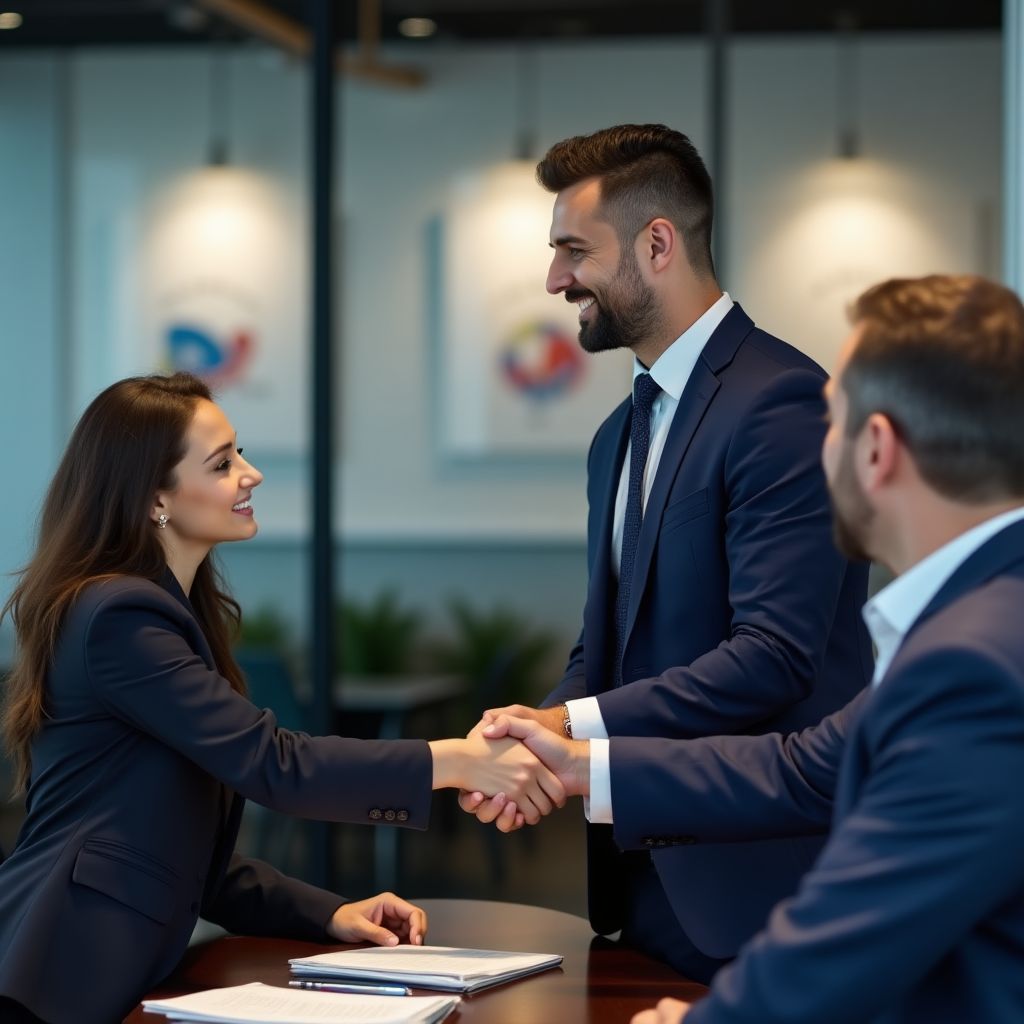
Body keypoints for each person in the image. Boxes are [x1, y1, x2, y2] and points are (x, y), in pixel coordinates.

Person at [486, 274, 1024, 1023]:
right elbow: (802, 767)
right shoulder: (979, 620)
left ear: (876, 449)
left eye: (831, 421)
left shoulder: (975, 663)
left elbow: (862, 922)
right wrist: (582, 766)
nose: (817, 447)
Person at [0, 373, 564, 1024]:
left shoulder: (163, 610)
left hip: (106, 969)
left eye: (239, 453)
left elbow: (182, 854)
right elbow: (273, 763)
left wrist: (329, 912)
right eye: (222, 463)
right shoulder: (118, 618)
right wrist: (458, 762)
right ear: (154, 497)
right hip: (57, 977)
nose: (252, 474)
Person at [461, 123, 872, 981]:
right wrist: (531, 735)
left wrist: (565, 731)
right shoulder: (617, 433)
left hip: (756, 889)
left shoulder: (783, 404)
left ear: (657, 244)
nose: (553, 279)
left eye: (574, 249)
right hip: (631, 881)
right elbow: (602, 647)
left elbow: (773, 657)